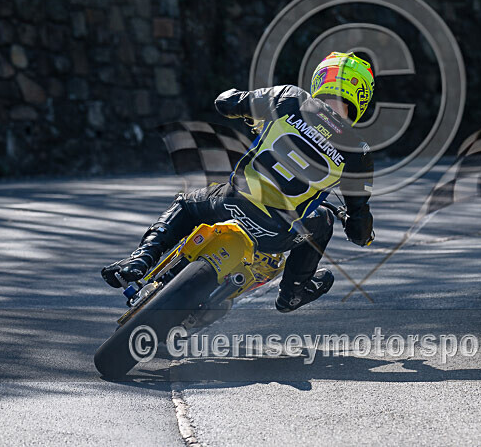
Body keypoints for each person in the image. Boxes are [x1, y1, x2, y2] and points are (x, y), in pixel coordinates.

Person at [101, 52, 375, 312]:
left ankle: (142, 258)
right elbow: (359, 229)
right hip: (278, 234)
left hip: (230, 204)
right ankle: (293, 292)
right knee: (324, 221)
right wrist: (359, 231)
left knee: (187, 204)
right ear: (362, 96)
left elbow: (225, 102)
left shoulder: (290, 97)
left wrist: (241, 106)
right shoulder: (358, 151)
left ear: (321, 79)